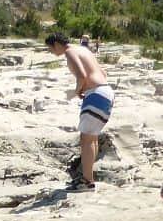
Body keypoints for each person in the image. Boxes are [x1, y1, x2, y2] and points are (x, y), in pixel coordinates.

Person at [45, 32, 113, 191]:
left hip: (96, 94)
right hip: (106, 92)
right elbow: (103, 73)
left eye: (50, 49)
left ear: (56, 44)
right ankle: (88, 178)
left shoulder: (69, 52)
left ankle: (87, 181)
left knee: (86, 139)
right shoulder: (84, 50)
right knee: (92, 137)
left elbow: (82, 76)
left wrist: (75, 92)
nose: (52, 52)